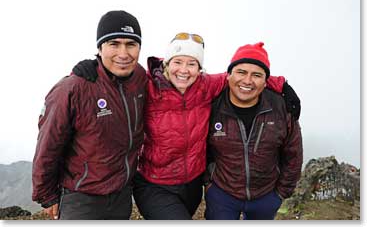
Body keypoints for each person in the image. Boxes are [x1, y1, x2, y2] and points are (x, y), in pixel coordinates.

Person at [72, 33, 300, 220]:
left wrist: (281, 84)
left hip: (191, 184)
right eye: (178, 62)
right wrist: (92, 66)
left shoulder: (206, 86)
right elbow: (116, 74)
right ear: (166, 63)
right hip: (154, 184)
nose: (184, 70)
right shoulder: (147, 86)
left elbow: (242, 76)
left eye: (192, 64)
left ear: (200, 69)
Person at [32, 10, 147, 220]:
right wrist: (46, 195)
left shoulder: (139, 78)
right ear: (99, 48)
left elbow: (173, 72)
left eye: (131, 44)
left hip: (122, 196)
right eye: (114, 44)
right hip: (82, 199)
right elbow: (48, 144)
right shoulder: (73, 88)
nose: (123, 53)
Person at [204, 42, 303, 220]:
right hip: (222, 194)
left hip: (266, 195)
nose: (247, 81)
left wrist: (281, 193)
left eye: (256, 75)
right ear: (228, 76)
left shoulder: (282, 108)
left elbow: (293, 154)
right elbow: (199, 148)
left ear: (266, 82)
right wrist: (208, 184)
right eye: (241, 72)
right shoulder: (212, 106)